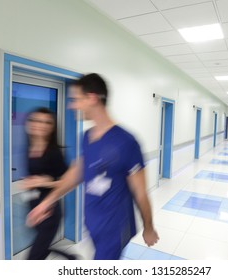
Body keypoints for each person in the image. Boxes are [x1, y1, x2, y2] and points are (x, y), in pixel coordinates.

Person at [24, 73, 159, 260]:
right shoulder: (86, 137)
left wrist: (149, 227)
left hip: (115, 228)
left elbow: (140, 193)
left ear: (92, 98)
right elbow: (75, 174)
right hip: (94, 224)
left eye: (75, 100)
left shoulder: (126, 141)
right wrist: (47, 202)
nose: (71, 105)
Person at [23, 107, 72, 260]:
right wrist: (30, 182)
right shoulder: (30, 148)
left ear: (51, 127)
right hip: (34, 207)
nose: (41, 125)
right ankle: (71, 258)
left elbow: (67, 181)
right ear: (29, 123)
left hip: (49, 212)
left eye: (46, 122)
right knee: (41, 250)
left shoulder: (53, 152)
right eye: (36, 120)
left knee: (33, 258)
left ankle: (72, 259)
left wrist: (46, 182)